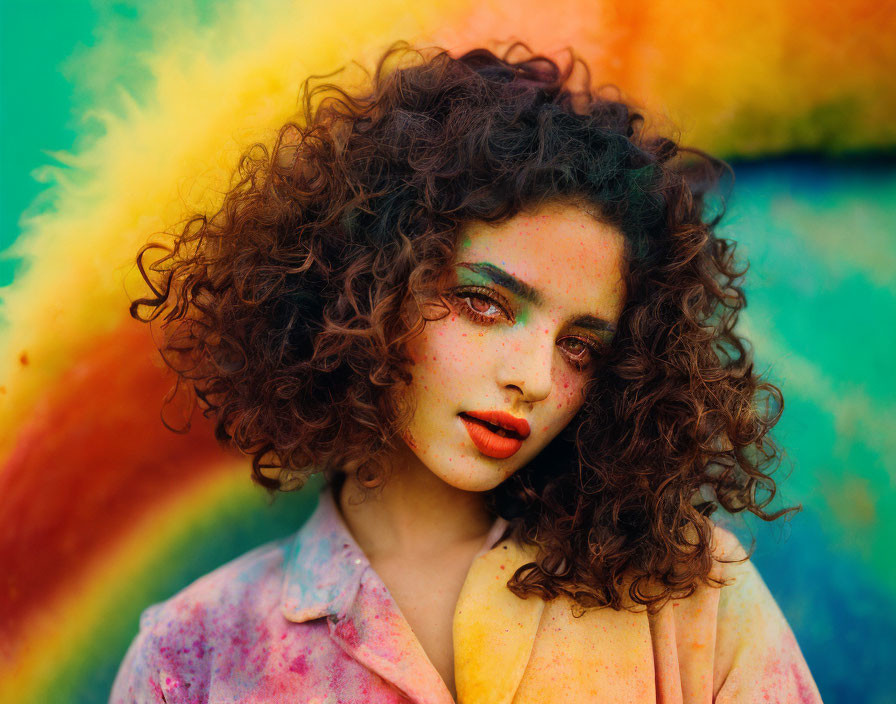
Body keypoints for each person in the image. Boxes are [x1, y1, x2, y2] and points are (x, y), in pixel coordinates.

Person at [111, 41, 823, 703]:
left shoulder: (688, 594)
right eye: (483, 302)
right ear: (368, 284)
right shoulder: (194, 653)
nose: (535, 379)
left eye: (580, 347)